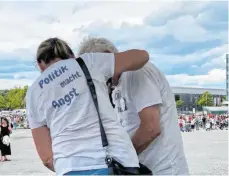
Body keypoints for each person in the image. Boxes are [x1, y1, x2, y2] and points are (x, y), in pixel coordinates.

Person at [26, 37, 149, 175]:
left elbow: (47, 158)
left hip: (69, 167)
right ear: (72, 55)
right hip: (116, 161)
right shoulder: (88, 62)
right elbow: (142, 56)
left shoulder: (33, 92)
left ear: (40, 64)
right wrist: (109, 62)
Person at [78, 37, 189, 175]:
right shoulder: (116, 87)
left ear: (107, 56)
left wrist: (122, 159)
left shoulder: (136, 72)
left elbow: (151, 128)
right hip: (145, 168)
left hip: (164, 169)